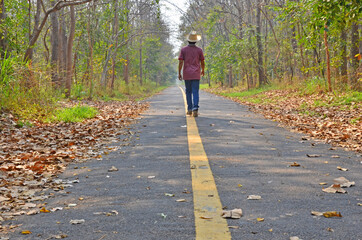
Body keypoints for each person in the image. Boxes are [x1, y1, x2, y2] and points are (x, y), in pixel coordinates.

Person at [178, 31, 205, 117]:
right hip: (196, 74)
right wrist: (203, 70)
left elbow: (181, 62)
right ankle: (195, 109)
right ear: (196, 41)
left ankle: (189, 109)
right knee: (195, 91)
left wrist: (179, 73)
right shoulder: (199, 50)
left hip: (187, 74)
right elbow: (202, 62)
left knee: (188, 92)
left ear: (188, 40)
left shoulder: (183, 50)